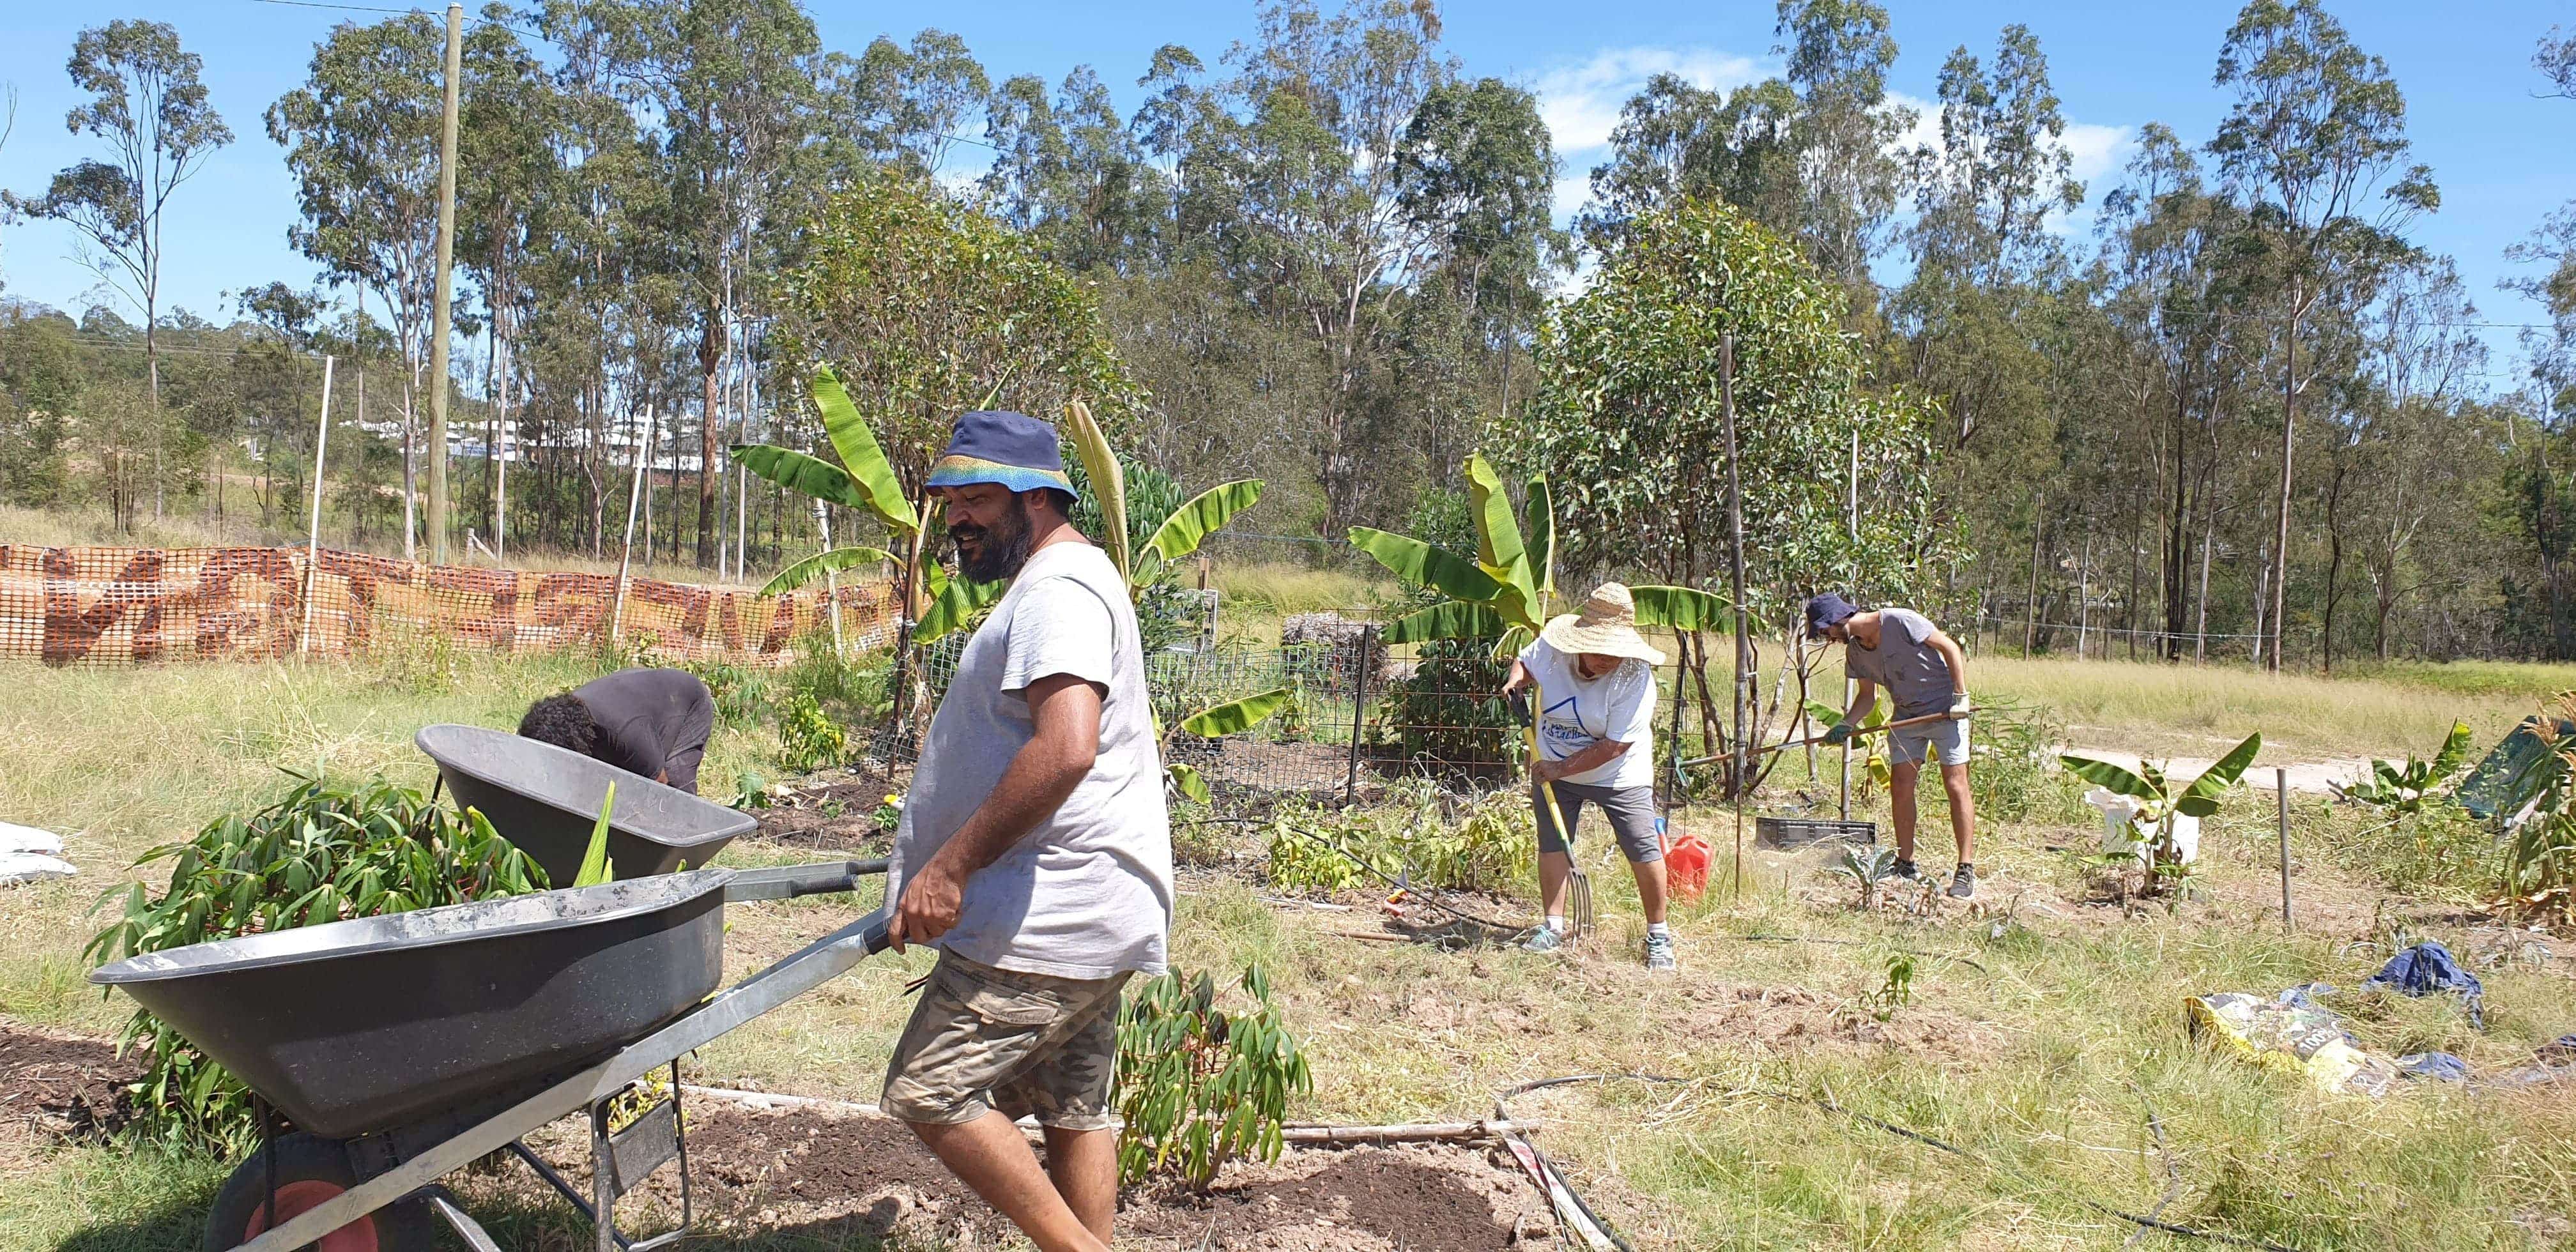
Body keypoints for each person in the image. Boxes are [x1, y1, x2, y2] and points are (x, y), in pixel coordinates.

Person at [878, 409, 1170, 1252]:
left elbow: (1068, 744)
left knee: (929, 1088)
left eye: (977, 498)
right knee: (1074, 1105)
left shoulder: (1059, 591)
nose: (956, 519)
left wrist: (949, 869)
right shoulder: (1072, 578)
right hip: (1084, 908)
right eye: (949, 499)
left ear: (1038, 498)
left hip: (1046, 921)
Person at [1499, 583, 1676, 972]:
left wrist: (1558, 769)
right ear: (1579, 641)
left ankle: (1659, 936)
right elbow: (1527, 662)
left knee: (1642, 846)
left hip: (1619, 774)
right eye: (1599, 651)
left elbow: (1615, 746)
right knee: (1553, 843)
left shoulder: (1634, 678)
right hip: (1554, 765)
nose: (1605, 660)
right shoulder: (1553, 649)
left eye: (1614, 654)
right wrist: (1517, 681)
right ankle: (1552, 928)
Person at [1806, 593, 1977, 899]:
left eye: (1826, 630)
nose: (1828, 638)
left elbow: (1949, 647)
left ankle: (1965, 868)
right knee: (1901, 784)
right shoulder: (1856, 653)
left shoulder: (1901, 621)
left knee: (1955, 783)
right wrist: (1846, 724)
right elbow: (1867, 697)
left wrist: (1960, 697)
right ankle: (1906, 862)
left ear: (1837, 619)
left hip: (1946, 712)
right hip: (1906, 718)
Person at [518, 668, 716, 794]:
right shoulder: (567, 719)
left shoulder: (625, 732)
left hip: (684, 702)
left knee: (676, 786)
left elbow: (659, 781)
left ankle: (684, 848)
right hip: (636, 694)